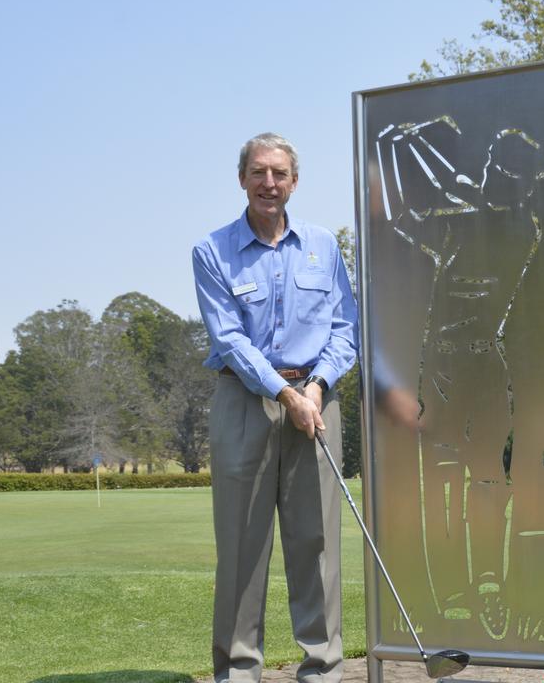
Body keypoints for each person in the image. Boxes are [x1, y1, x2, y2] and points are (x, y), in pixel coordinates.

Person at [192, 132, 358, 683]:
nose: (269, 184)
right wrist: (285, 394)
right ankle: (240, 671)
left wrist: (315, 387)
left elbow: (345, 330)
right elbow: (231, 340)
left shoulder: (323, 246)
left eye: (279, 174)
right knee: (243, 547)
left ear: (294, 181)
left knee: (316, 545)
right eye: (259, 173)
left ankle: (322, 668)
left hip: (316, 402)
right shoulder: (212, 252)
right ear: (242, 179)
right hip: (246, 402)